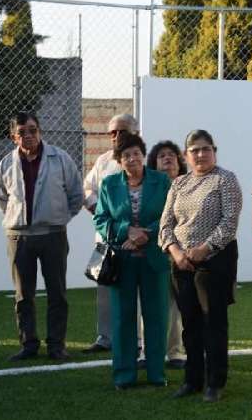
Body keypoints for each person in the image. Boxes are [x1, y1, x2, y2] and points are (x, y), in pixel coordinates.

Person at [0, 112, 83, 361]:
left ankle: (56, 345)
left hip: (53, 234)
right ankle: (28, 344)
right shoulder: (6, 165)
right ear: (13, 137)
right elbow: (0, 196)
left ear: (40, 131)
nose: (28, 136)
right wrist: (16, 219)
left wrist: (59, 216)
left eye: (33, 130)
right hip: (19, 238)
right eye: (22, 132)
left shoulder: (60, 159)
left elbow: (76, 193)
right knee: (23, 295)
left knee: (57, 292)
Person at [159, 129, 242, 403]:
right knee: (190, 325)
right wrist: (176, 252)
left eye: (206, 148)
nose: (201, 154)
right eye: (194, 150)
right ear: (186, 155)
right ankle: (192, 380)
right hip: (180, 263)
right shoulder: (179, 184)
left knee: (213, 323)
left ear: (214, 151)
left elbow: (229, 223)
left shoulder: (225, 179)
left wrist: (202, 250)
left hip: (213, 263)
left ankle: (215, 383)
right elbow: (165, 225)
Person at [93, 134, 172, 389]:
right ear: (119, 160)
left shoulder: (161, 181)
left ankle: (156, 373)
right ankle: (124, 375)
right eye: (126, 155)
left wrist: (145, 234)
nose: (132, 158)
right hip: (122, 261)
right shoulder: (109, 184)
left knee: (156, 318)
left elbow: (171, 216)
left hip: (154, 259)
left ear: (143, 155)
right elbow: (101, 220)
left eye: (136, 153)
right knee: (122, 318)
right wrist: (127, 231)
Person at [82, 113, 137, 354]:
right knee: (105, 288)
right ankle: (105, 337)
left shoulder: (144, 158)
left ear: (135, 131)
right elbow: (87, 188)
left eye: (122, 131)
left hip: (136, 239)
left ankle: (137, 341)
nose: (116, 136)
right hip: (106, 238)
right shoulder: (103, 161)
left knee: (136, 292)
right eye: (112, 132)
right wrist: (97, 207)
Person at [146, 140, 188, 369]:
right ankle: (148, 351)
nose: (167, 158)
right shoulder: (148, 188)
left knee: (178, 305)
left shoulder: (188, 185)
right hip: (154, 252)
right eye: (161, 155)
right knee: (151, 304)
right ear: (153, 163)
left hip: (183, 253)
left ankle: (176, 352)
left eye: (171, 155)